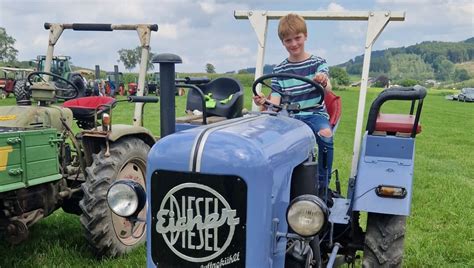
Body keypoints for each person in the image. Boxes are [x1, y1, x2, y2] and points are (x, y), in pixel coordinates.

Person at [253, 13, 334, 190]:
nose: (294, 44)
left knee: (326, 134)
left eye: (297, 38)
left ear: (305, 36)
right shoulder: (280, 69)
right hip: (288, 117)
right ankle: (275, 185)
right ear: (283, 42)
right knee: (267, 141)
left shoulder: (318, 63)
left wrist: (323, 80)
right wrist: (264, 102)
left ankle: (322, 185)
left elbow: (328, 88)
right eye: (288, 40)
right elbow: (275, 105)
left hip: (314, 113)